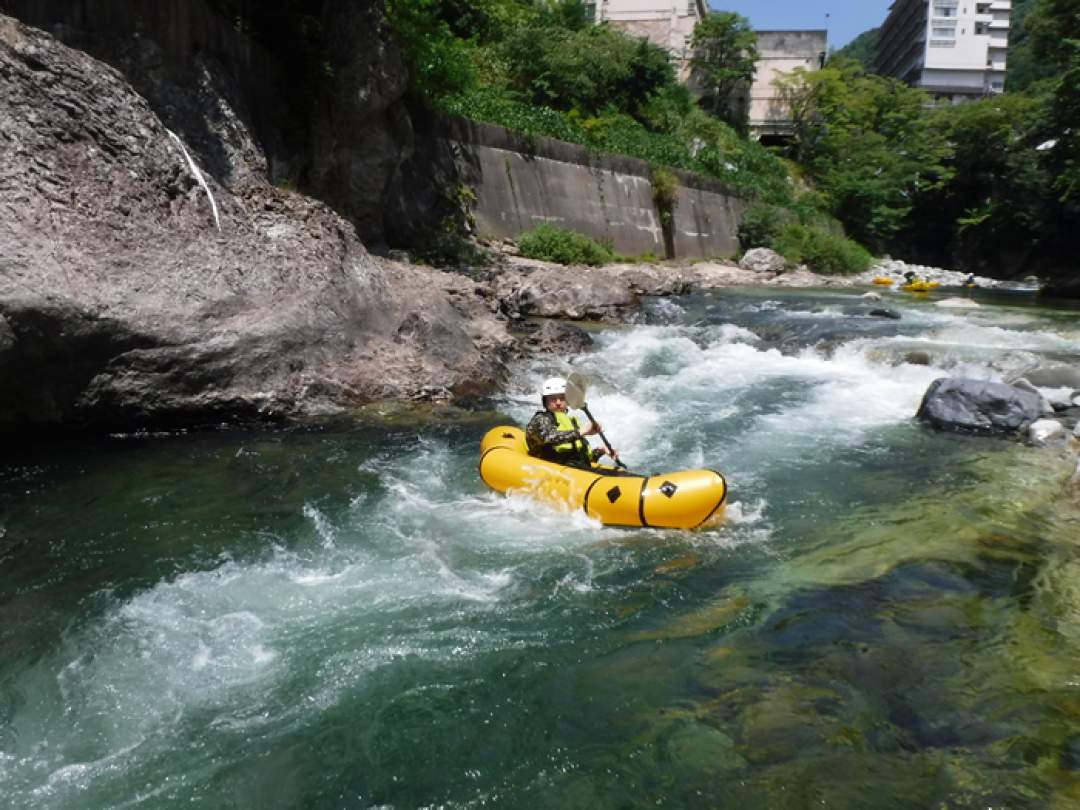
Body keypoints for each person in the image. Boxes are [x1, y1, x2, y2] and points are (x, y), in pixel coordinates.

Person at [525, 377, 619, 469]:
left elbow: (580, 458)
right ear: (545, 401)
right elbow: (548, 437)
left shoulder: (571, 422)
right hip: (555, 470)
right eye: (553, 399)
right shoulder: (540, 419)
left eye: (562, 398)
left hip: (577, 470)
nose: (558, 402)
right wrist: (581, 432)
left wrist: (602, 450)